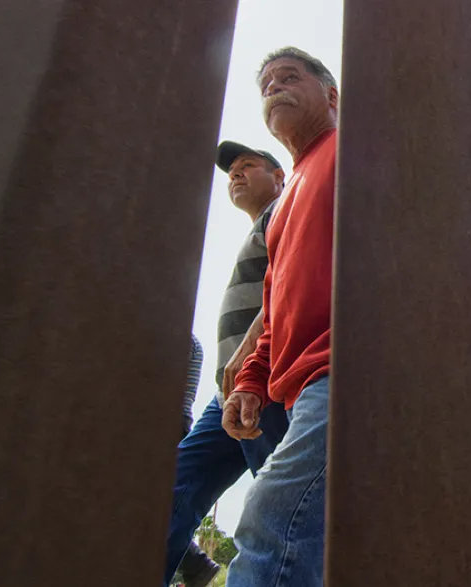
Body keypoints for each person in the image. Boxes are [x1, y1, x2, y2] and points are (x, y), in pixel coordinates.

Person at [220, 46, 338, 587]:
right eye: (266, 83)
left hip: (342, 368)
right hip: (295, 389)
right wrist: (250, 379)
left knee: (270, 519)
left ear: (332, 95)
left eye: (289, 78)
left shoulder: (355, 147)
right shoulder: (285, 201)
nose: (274, 87)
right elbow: (274, 306)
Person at [163, 141, 291, 587]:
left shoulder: (287, 208)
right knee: (174, 488)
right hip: (226, 395)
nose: (235, 175)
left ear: (279, 176)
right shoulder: (258, 226)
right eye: (231, 171)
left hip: (268, 379)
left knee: (283, 507)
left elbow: (290, 283)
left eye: (247, 166)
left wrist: (252, 350)